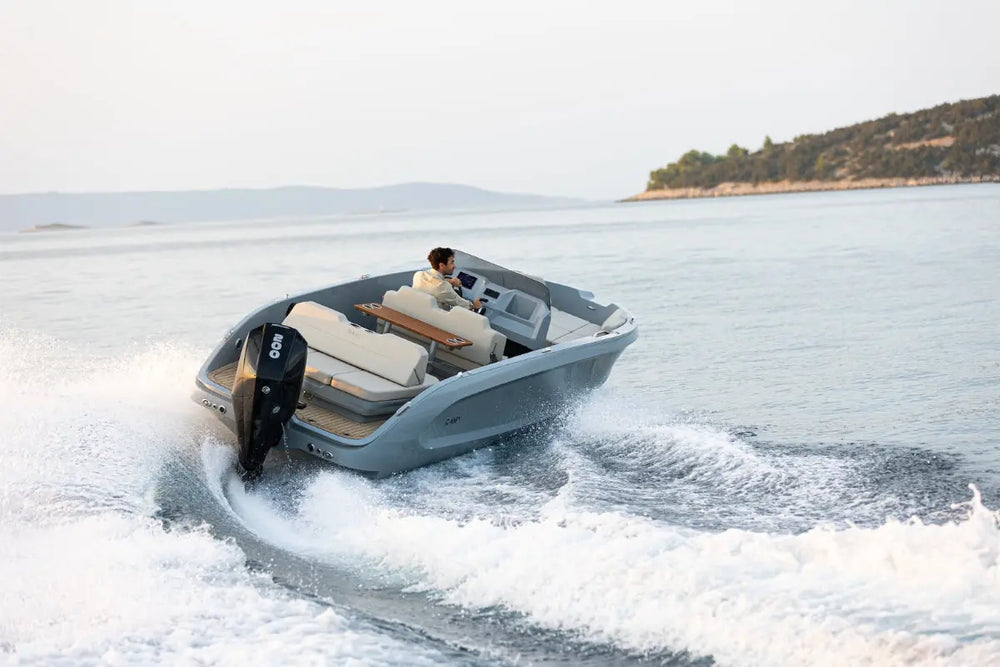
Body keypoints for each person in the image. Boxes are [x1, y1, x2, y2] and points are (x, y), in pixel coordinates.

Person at [413, 247, 482, 310]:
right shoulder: (444, 288)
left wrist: (450, 281)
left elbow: (433, 284)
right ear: (441, 265)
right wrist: (473, 304)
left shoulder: (419, 275)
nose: (454, 266)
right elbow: (460, 303)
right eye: (452, 262)